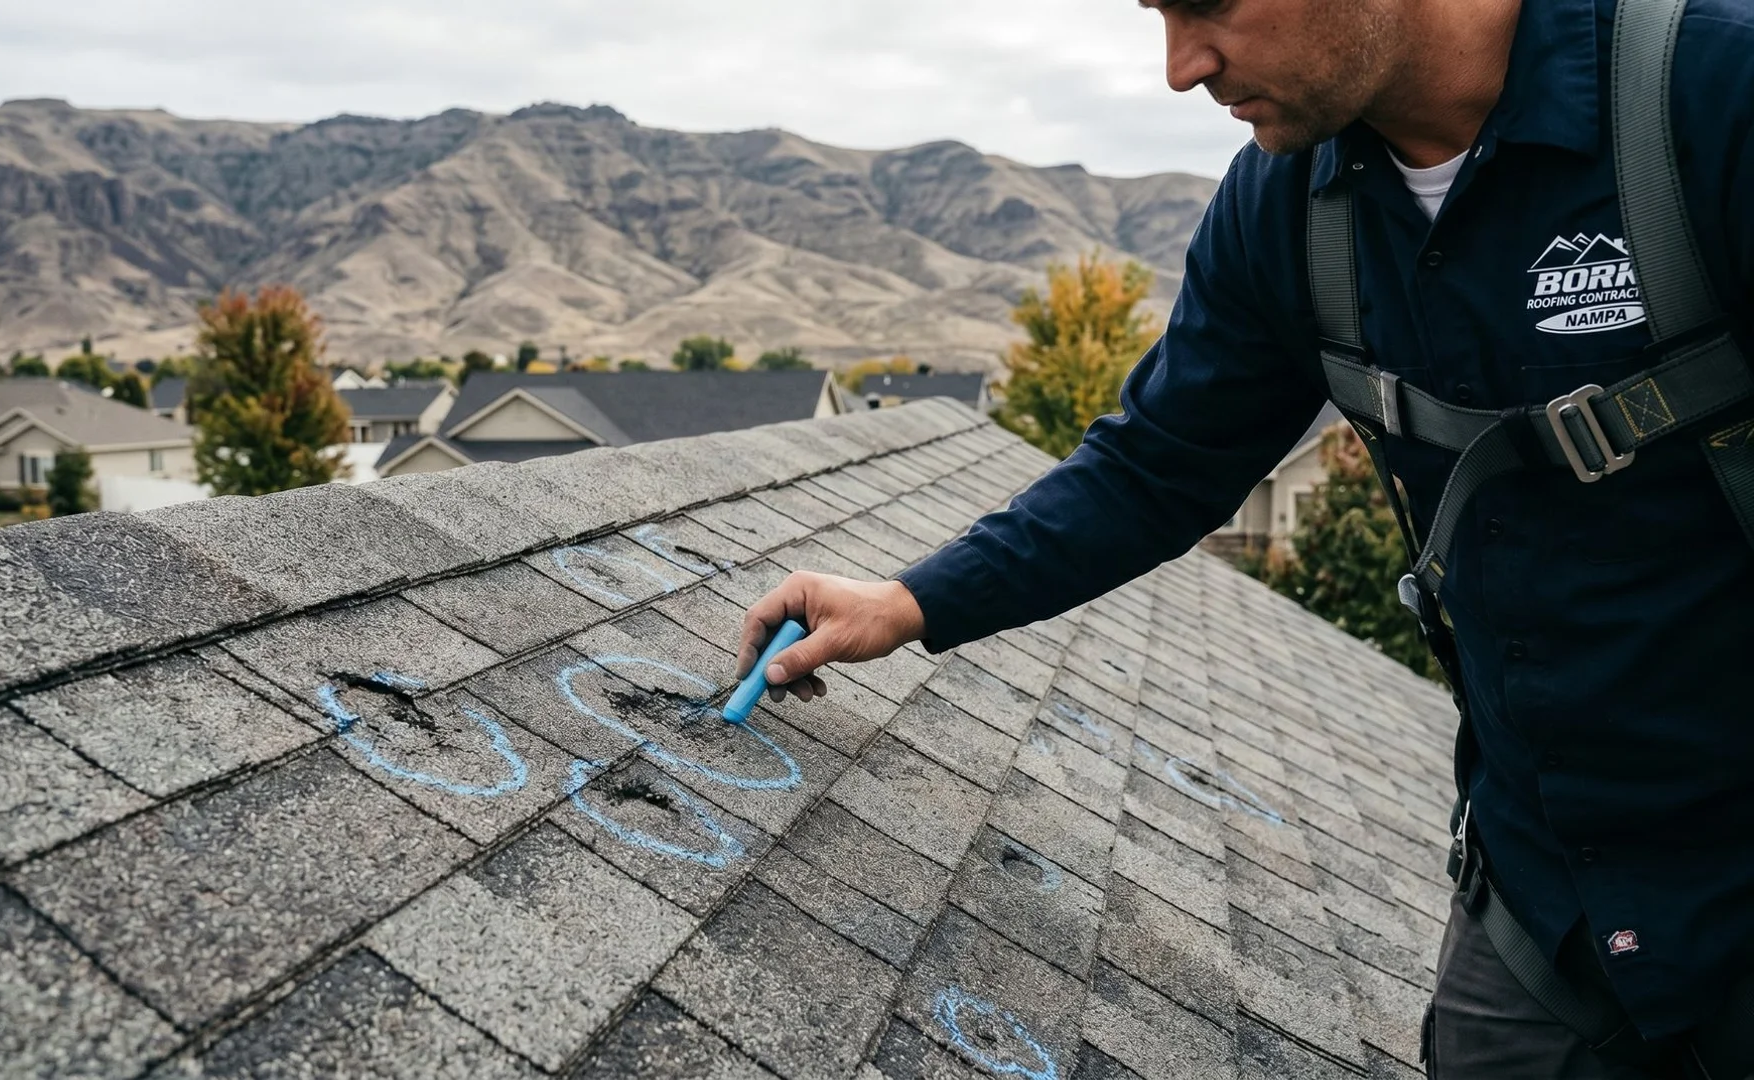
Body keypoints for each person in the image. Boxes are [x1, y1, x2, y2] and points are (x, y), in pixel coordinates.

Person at [733, 0, 1754, 1075]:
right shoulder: (1289, 208)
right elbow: (1155, 466)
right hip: (1546, 915)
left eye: (1209, 2)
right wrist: (906, 602)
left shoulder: (1711, 99)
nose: (1182, 66)